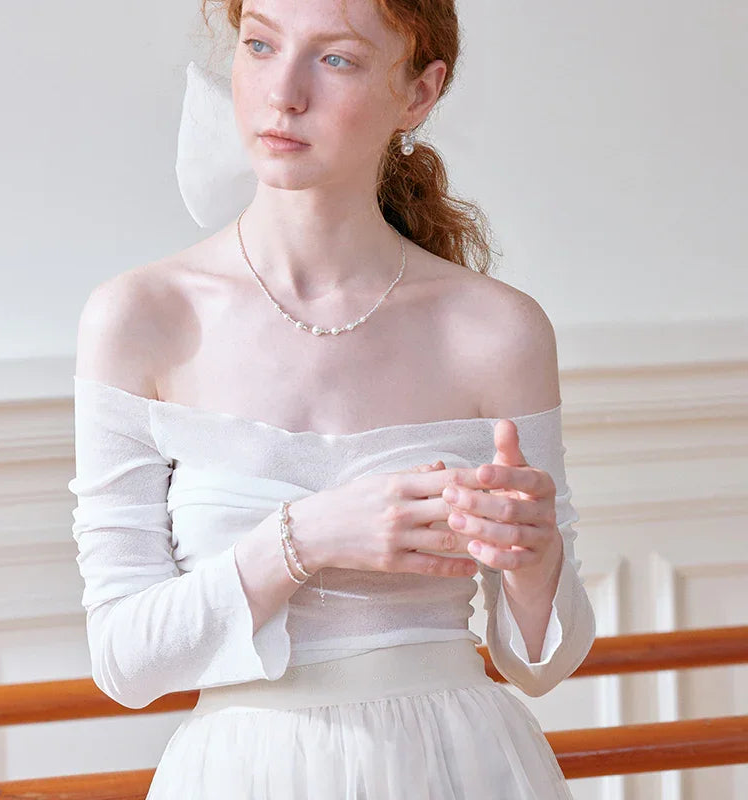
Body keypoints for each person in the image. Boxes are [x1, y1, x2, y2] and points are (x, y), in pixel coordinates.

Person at [67, 0, 597, 796]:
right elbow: (125, 665)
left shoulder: (498, 330)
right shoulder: (140, 320)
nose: (282, 93)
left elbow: (542, 664)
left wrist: (535, 558)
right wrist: (302, 538)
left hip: (461, 768)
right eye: (259, 46)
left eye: (336, 59)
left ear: (418, 93)